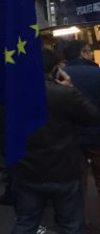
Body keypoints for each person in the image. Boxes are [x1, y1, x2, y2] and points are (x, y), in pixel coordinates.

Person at [9, 48, 100, 234]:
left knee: (26, 222)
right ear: (56, 69)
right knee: (72, 225)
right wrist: (70, 88)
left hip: (27, 168)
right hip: (63, 168)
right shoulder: (64, 94)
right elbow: (93, 116)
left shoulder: (14, 96)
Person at [62, 40, 100, 228]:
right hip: (97, 134)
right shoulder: (97, 73)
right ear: (83, 53)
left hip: (72, 137)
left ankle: (82, 222)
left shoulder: (61, 76)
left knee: (79, 184)